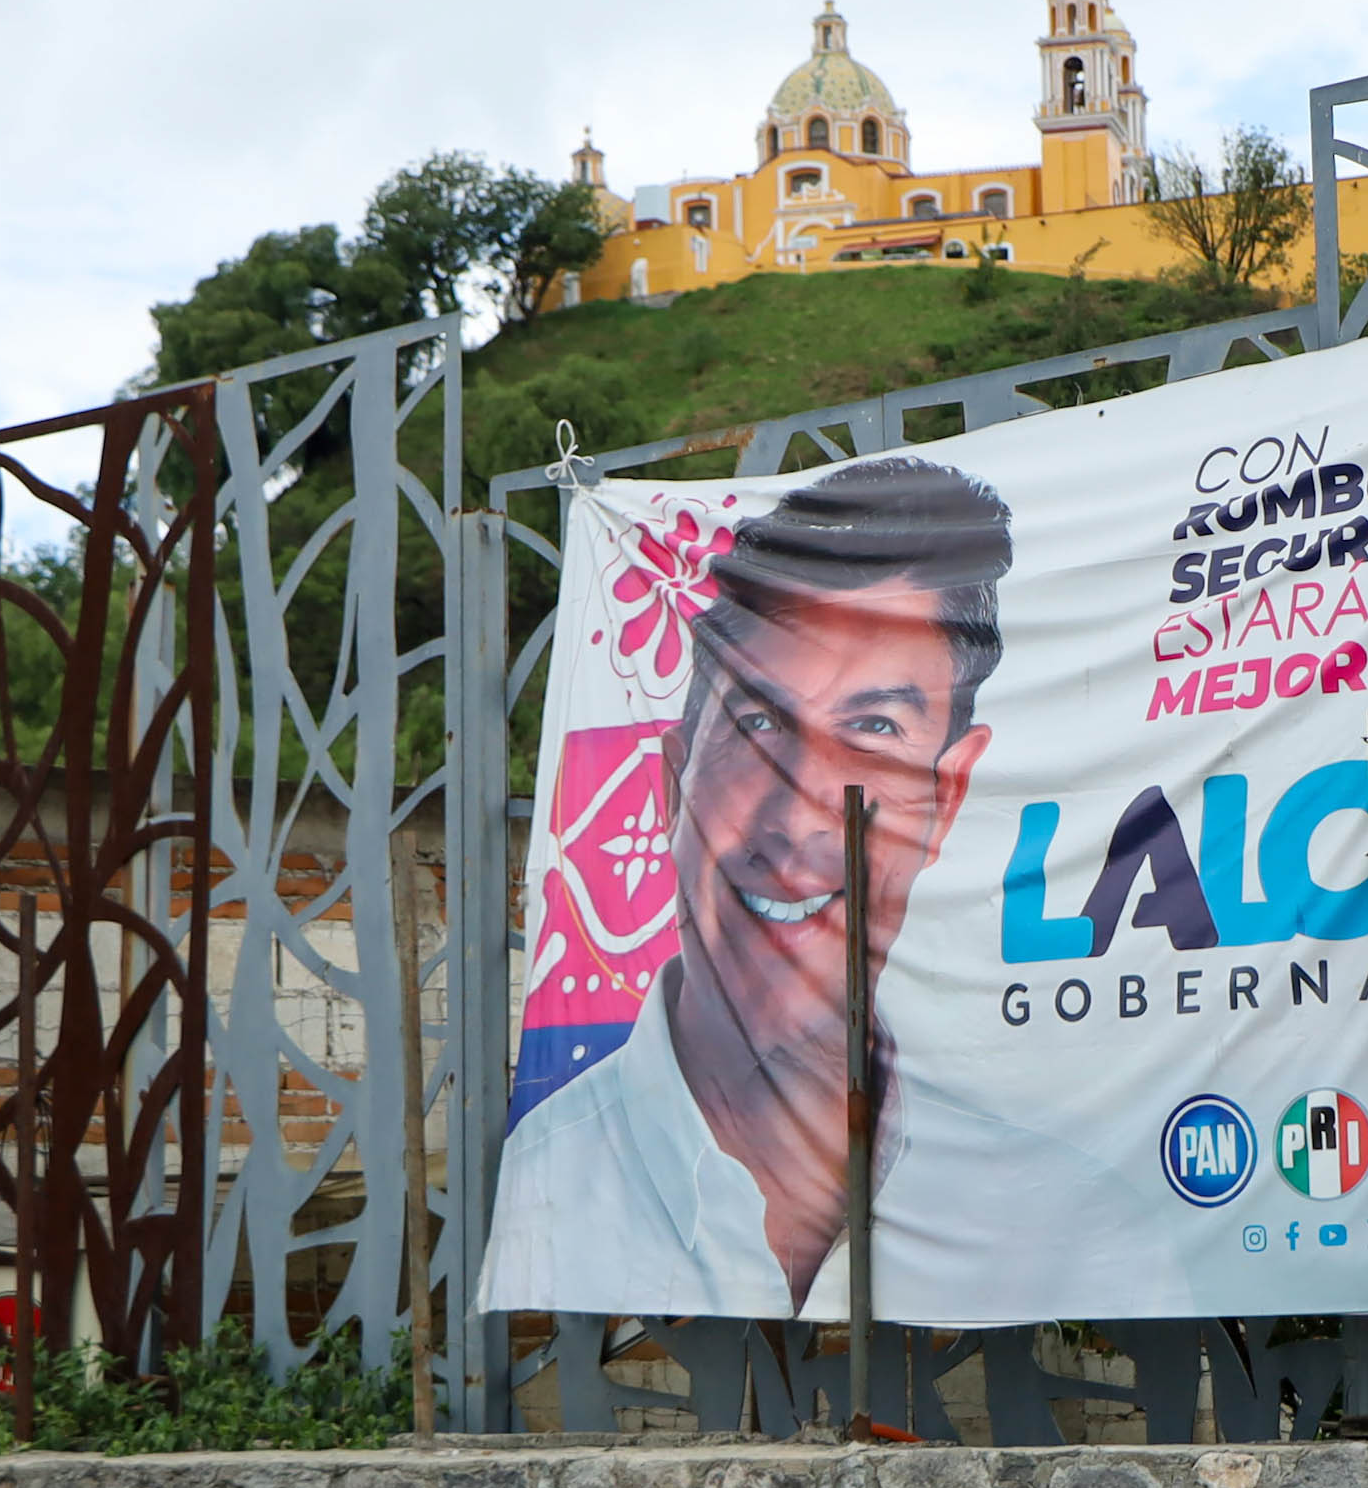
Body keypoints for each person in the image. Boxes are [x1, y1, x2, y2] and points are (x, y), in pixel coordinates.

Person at [481, 456, 1189, 1323]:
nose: (801, 813)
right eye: (758, 722)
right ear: (673, 784)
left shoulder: (1084, 1230)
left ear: (947, 798)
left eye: (875, 727)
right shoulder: (545, 1195)